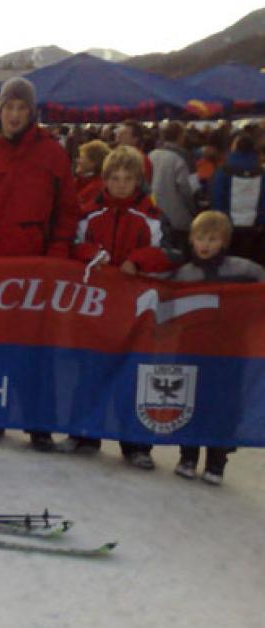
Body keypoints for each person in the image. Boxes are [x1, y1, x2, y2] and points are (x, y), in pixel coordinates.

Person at [0, 76, 79, 452]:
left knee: (36, 349)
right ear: (0, 110)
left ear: (32, 113)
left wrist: (55, 258)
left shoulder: (52, 154)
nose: (15, 115)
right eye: (9, 107)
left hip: (34, 269)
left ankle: (39, 423)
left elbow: (67, 212)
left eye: (22, 108)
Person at [65, 145, 173, 468]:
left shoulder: (151, 216)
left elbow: (169, 253)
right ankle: (84, 431)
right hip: (96, 310)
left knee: (132, 374)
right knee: (89, 371)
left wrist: (137, 262)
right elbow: (72, 246)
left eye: (128, 178)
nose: (121, 184)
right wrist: (92, 254)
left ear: (138, 180)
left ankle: (136, 444)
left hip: (134, 313)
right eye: (115, 178)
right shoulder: (88, 213)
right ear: (104, 179)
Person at [173, 211, 265, 484]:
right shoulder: (184, 273)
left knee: (224, 406)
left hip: (229, 352)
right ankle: (188, 456)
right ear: (191, 239)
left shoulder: (243, 269)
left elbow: (261, 281)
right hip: (192, 350)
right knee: (192, 402)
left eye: (213, 239)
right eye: (201, 238)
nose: (206, 244)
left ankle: (217, 461)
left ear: (224, 242)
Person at [210, 132, 265, 263]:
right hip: (255, 227)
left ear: (234, 148)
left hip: (229, 226)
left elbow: (217, 198)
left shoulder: (223, 171)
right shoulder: (262, 172)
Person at [149, 121, 197, 247]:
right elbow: (189, 189)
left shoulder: (151, 155)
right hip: (178, 217)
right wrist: (194, 211)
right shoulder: (184, 157)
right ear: (181, 136)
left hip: (155, 213)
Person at [75, 139, 111, 211]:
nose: (77, 161)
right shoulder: (82, 180)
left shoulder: (98, 186)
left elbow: (81, 210)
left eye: (82, 157)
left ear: (93, 162)